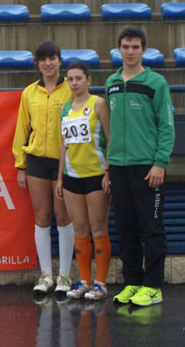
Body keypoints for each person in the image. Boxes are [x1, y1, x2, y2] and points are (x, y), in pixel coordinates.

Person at [106, 27, 175, 307]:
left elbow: (167, 127)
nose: (130, 51)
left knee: (152, 229)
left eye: (135, 47)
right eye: (125, 46)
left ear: (144, 50)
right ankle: (132, 283)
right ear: (118, 50)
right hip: (118, 167)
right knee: (126, 228)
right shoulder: (111, 83)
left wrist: (160, 163)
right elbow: (106, 130)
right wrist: (109, 168)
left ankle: (153, 287)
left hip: (147, 168)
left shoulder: (156, 83)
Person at [13, 41, 75, 296]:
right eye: (43, 59)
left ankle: (65, 276)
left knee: (63, 217)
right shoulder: (29, 93)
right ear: (37, 63)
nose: (48, 63)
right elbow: (22, 129)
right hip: (37, 160)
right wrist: (20, 164)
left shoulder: (71, 90)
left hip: (65, 161)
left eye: (52, 58)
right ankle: (46, 275)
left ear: (60, 61)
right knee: (41, 217)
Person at [54, 61, 112, 300]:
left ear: (88, 80)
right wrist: (59, 178)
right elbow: (63, 145)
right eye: (70, 79)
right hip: (71, 177)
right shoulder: (66, 108)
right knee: (79, 228)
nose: (74, 83)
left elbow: (111, 139)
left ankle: (101, 282)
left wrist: (109, 172)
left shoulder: (98, 103)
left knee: (98, 228)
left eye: (78, 78)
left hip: (96, 175)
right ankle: (85, 280)